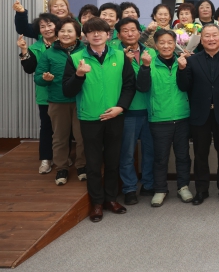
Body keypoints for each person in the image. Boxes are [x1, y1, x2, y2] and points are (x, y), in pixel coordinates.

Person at [62, 17, 136, 223]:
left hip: (115, 116)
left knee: (113, 161)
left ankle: (111, 199)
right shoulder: (75, 58)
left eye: (100, 31)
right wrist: (78, 75)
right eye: (91, 31)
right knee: (93, 164)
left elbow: (129, 85)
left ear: (108, 34)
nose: (96, 35)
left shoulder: (120, 56)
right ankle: (96, 203)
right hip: (90, 118)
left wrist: (120, 107)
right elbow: (67, 91)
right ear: (85, 36)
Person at [176, 24, 219, 205]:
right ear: (201, 39)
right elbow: (184, 86)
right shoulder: (192, 60)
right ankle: (201, 190)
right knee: (200, 154)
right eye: (207, 36)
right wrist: (181, 70)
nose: (211, 39)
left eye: (214, 36)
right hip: (200, 115)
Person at [136, 29, 193, 207]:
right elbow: (142, 87)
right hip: (159, 118)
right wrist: (145, 67)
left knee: (183, 156)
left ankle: (183, 187)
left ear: (175, 44)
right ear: (155, 45)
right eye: (162, 42)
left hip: (182, 116)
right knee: (160, 157)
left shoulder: (182, 61)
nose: (166, 46)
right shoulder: (149, 62)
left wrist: (183, 68)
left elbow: (186, 86)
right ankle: (160, 189)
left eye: (170, 42)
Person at [34, 18, 87, 184]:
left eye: (70, 31)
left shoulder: (86, 51)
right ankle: (61, 168)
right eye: (62, 31)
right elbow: (38, 77)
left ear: (78, 34)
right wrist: (45, 78)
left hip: (81, 100)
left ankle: (82, 166)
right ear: (57, 34)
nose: (66, 34)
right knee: (59, 137)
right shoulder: (49, 53)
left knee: (82, 136)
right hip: (58, 101)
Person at [114, 17, 156, 205]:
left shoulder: (151, 52)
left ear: (140, 32)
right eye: (125, 30)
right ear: (118, 35)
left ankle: (148, 184)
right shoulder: (114, 55)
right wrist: (125, 63)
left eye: (133, 30)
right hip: (128, 111)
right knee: (127, 153)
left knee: (150, 151)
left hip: (151, 110)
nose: (130, 34)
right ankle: (129, 188)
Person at [17, 13, 59, 174]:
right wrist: (24, 50)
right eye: (42, 26)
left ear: (56, 26)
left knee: (65, 128)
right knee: (47, 126)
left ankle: (62, 156)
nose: (47, 29)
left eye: (50, 25)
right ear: (38, 30)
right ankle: (46, 158)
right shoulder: (35, 48)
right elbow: (29, 69)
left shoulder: (66, 43)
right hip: (45, 95)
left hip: (65, 93)